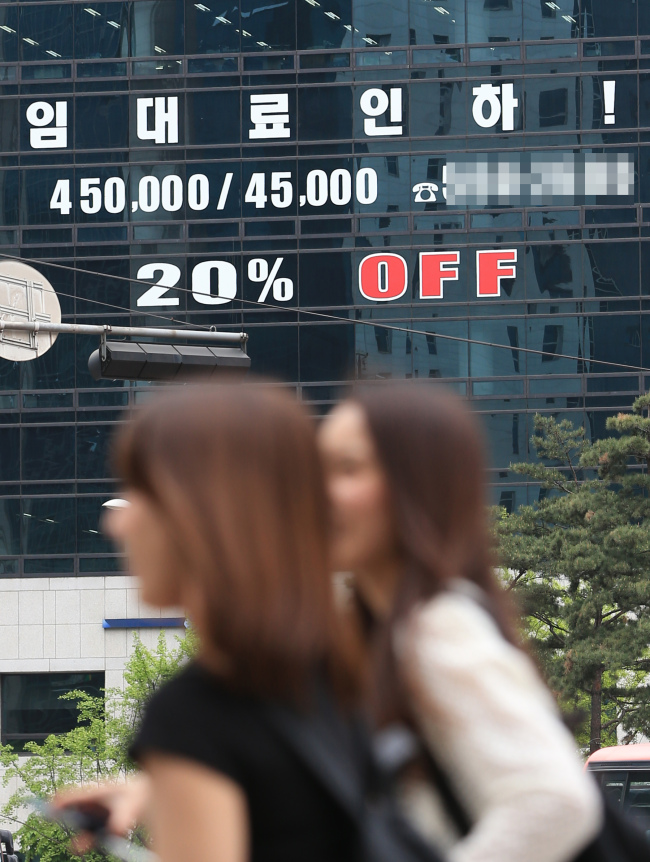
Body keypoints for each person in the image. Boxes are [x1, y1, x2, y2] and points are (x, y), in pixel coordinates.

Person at [67, 382, 365, 862]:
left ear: (201, 514)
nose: (116, 524)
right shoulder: (354, 670)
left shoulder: (194, 714)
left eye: (139, 492)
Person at [315, 383, 603, 862]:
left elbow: (555, 802)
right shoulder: (385, 629)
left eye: (349, 469)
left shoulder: (437, 625)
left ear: (418, 488)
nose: (322, 493)